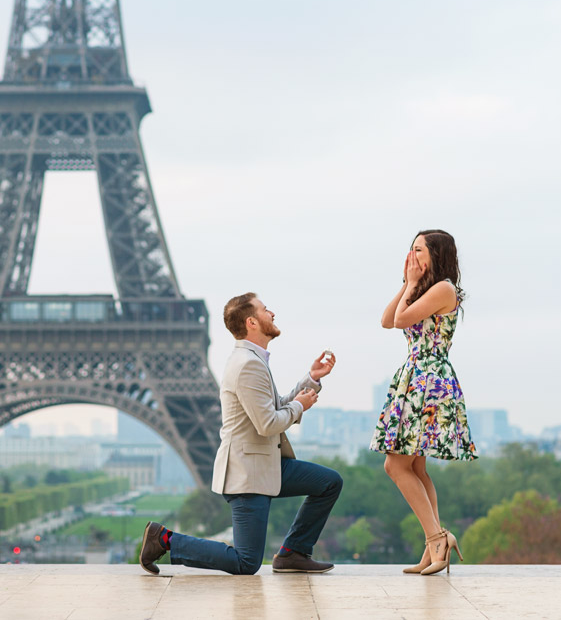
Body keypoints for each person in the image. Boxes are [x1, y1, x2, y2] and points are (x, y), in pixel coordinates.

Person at [139, 293, 343, 575]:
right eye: (265, 309)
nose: (272, 313)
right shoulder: (248, 364)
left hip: (266, 465)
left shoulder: (252, 360)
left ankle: (293, 552)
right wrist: (300, 405)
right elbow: (268, 424)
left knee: (329, 483)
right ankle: (163, 539)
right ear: (252, 322)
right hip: (248, 473)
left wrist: (312, 380)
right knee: (246, 562)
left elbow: (273, 407)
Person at [370, 229, 477, 575]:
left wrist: (412, 283)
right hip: (416, 378)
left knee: (395, 465)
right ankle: (434, 546)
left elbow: (402, 319)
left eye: (419, 249)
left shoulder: (444, 288)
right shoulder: (423, 290)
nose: (412, 255)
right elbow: (387, 320)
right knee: (414, 467)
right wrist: (408, 283)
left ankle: (437, 538)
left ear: (436, 254)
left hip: (429, 380)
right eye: (410, 248)